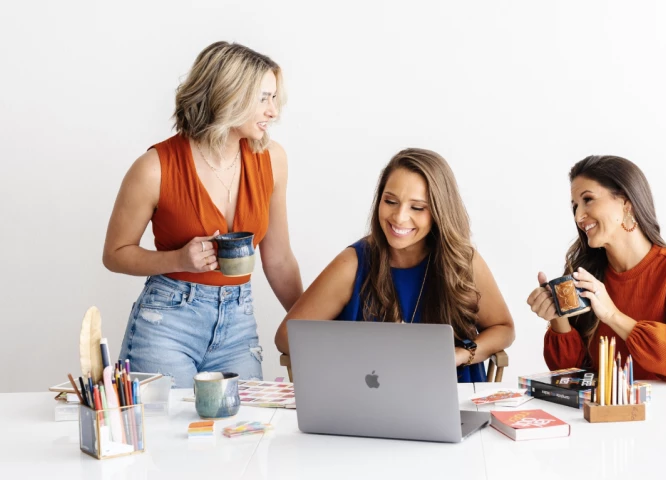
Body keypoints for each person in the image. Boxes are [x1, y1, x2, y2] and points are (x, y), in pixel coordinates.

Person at [103, 41, 303, 387]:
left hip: (238, 322)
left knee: (244, 421)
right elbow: (115, 254)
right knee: (171, 423)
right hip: (167, 323)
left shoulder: (273, 160)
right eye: (263, 99)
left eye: (274, 98)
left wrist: (310, 327)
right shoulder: (154, 168)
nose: (273, 112)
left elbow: (280, 259)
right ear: (229, 94)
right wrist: (178, 259)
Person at [274, 148, 515, 382]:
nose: (399, 217)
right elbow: (286, 337)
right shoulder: (353, 264)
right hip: (370, 399)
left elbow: (504, 328)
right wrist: (358, 351)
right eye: (390, 201)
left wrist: (462, 354)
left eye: (417, 207)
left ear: (440, 211)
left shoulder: (463, 261)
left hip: (453, 396)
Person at [527, 155, 666, 384]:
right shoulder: (585, 274)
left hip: (661, 405)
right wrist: (558, 318)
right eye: (575, 207)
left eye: (588, 199)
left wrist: (612, 315)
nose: (578, 216)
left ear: (626, 202)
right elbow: (570, 375)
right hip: (599, 405)